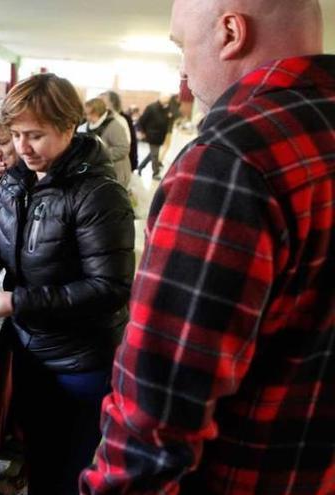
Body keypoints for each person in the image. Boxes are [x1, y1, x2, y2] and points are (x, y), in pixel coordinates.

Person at [81, 1, 334, 493]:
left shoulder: (231, 159)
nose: (181, 67)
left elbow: (157, 407)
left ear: (231, 33)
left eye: (180, 44)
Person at [0, 73, 135, 495]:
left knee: (67, 472)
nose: (22, 147)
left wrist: (18, 302)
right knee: (39, 458)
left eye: (35, 135)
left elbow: (109, 288)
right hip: (31, 348)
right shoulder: (18, 179)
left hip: (79, 361)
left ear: (69, 127)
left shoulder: (98, 194)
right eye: (16, 135)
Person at [80, 98, 131, 189]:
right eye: (86, 114)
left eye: (91, 114)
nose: (87, 117)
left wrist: (100, 155)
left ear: (98, 112)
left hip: (116, 173)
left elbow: (123, 148)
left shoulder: (114, 126)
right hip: (100, 172)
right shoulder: (88, 125)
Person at [100, 90, 138, 172]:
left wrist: (100, 155)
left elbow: (125, 146)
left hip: (115, 167)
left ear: (111, 103)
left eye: (102, 101)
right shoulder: (101, 119)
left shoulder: (120, 120)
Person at [136, 94, 171, 179]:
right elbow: (141, 120)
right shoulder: (151, 107)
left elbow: (165, 122)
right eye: (166, 100)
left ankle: (140, 167)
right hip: (152, 135)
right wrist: (142, 131)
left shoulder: (165, 109)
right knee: (155, 155)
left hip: (160, 136)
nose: (168, 102)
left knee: (152, 154)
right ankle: (155, 173)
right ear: (161, 98)